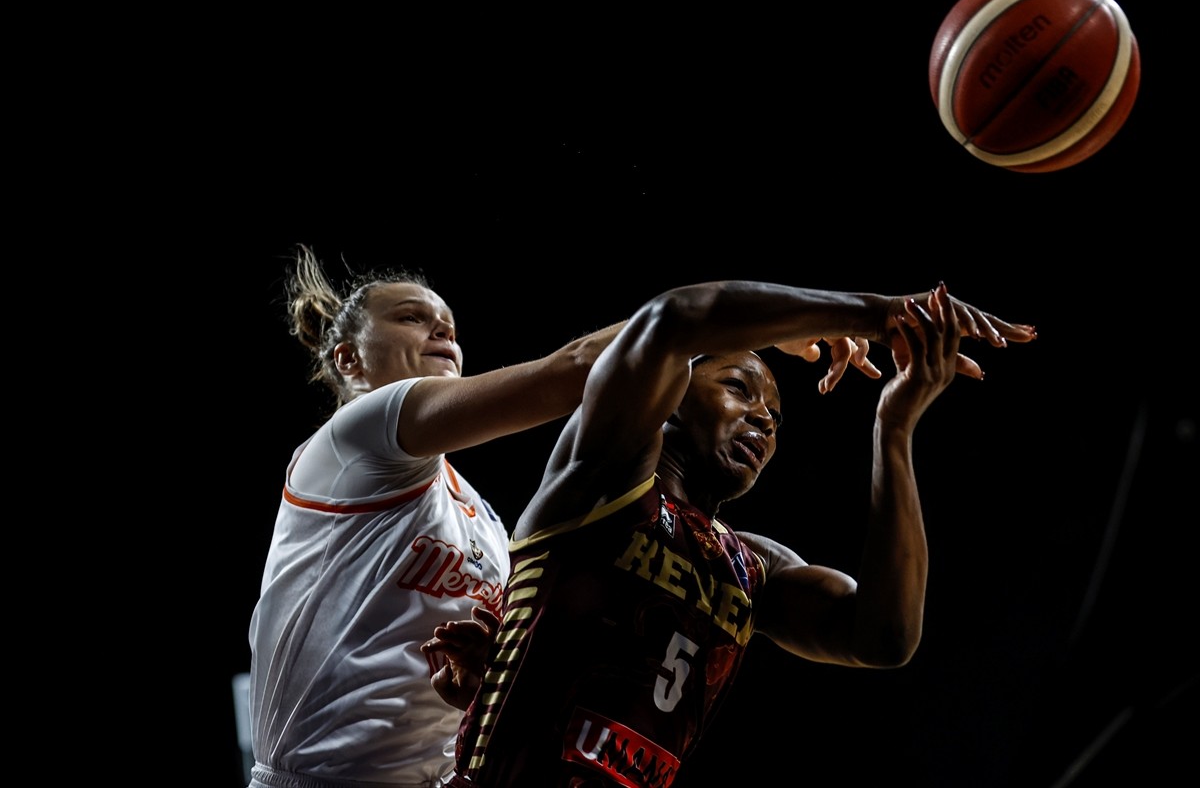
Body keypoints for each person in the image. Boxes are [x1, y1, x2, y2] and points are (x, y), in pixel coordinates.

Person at [429, 280, 1036, 787]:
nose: (763, 418)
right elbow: (671, 320)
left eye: (775, 417)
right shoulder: (605, 480)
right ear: (670, 396)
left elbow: (885, 637)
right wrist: (877, 314)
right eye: (739, 388)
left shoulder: (754, 566)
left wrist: (894, 428)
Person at [246, 245, 637, 788]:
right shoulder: (354, 440)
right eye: (412, 317)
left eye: (449, 325)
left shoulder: (486, 521)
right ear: (349, 358)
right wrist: (694, 333)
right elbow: (570, 370)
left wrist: (481, 682)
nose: (443, 332)